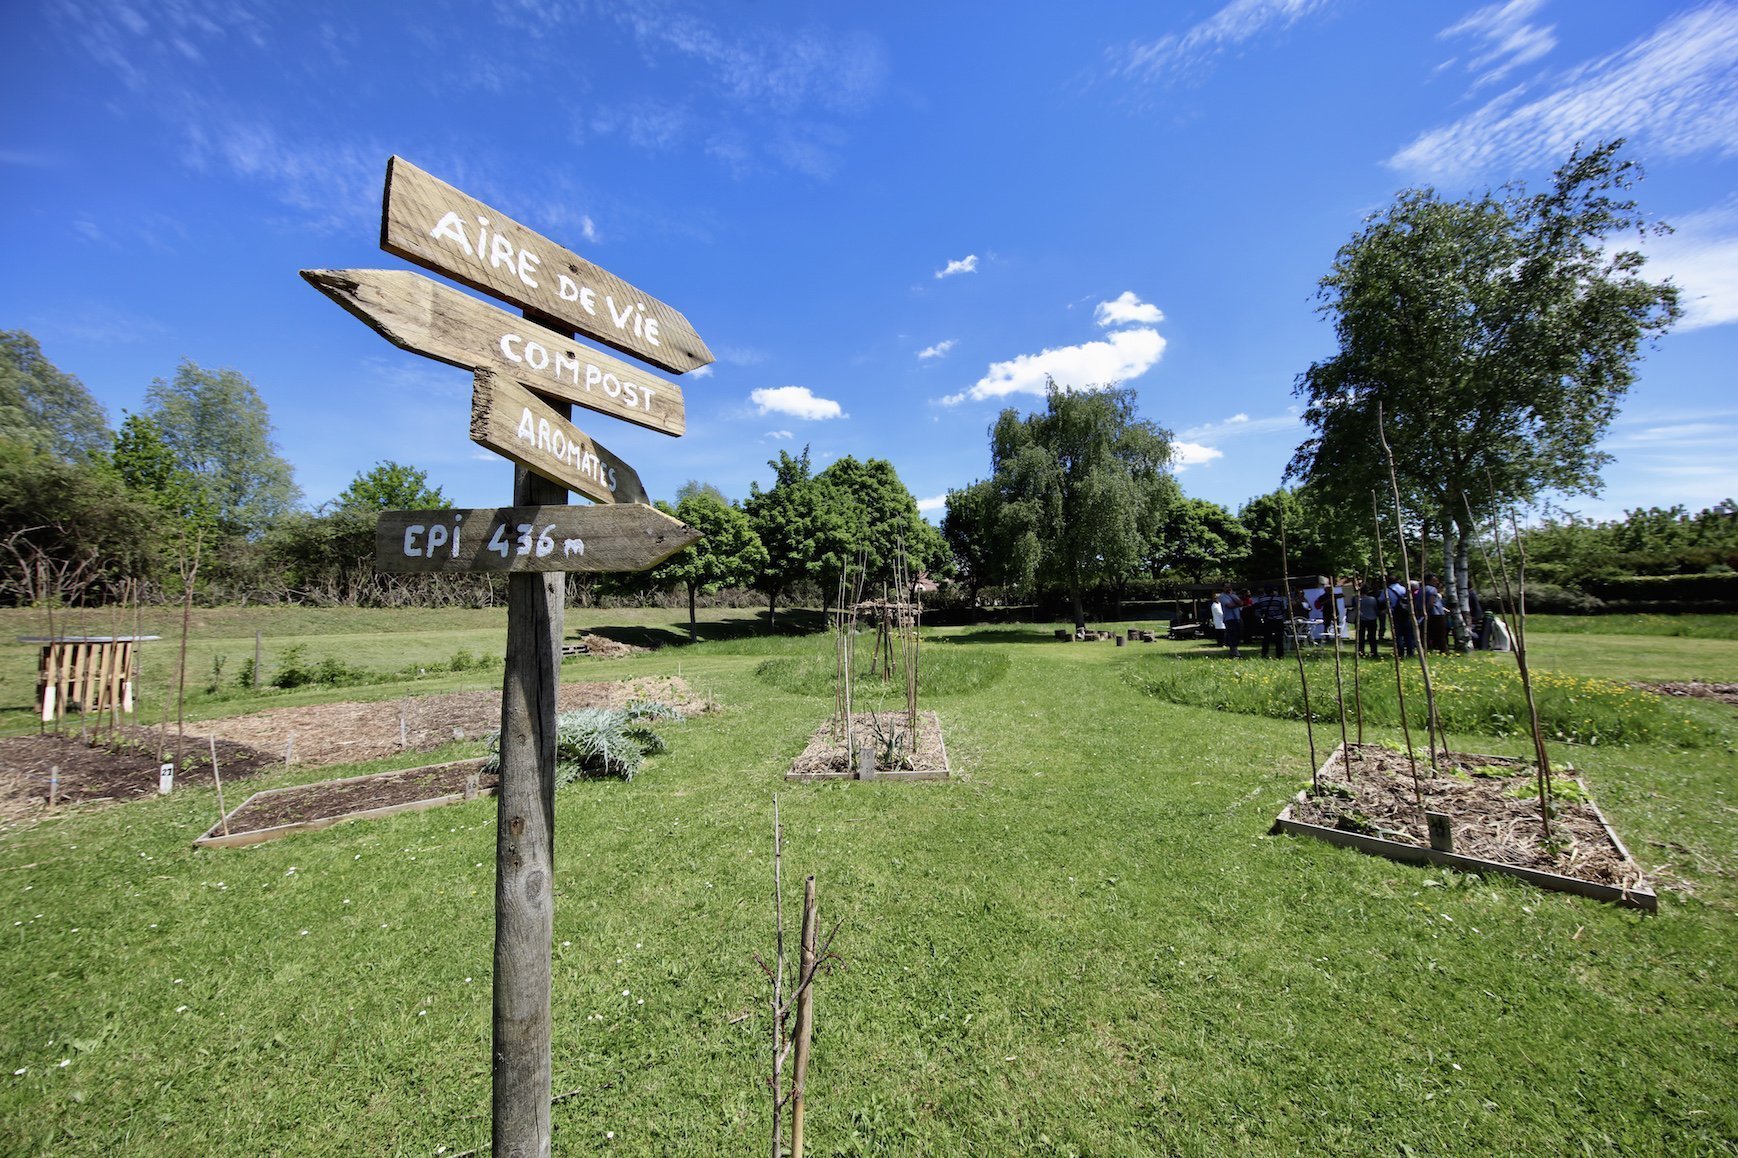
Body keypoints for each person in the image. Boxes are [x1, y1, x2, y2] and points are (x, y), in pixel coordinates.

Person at [1253, 585, 1288, 658]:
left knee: (1266, 638)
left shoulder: (1261, 599)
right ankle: (1279, 655)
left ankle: (1264, 654)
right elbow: (1283, 609)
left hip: (1268, 620)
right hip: (1278, 620)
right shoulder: (1279, 599)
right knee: (1279, 639)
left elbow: (1260, 610)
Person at [1424, 574, 1449, 654]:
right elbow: (1431, 602)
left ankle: (1429, 649)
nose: (1436, 582)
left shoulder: (1422, 589)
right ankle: (1444, 651)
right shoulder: (1432, 589)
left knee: (1429, 634)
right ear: (1428, 581)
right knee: (1441, 634)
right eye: (1434, 580)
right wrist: (1427, 610)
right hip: (1436, 614)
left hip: (1430, 613)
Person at [1217, 581, 1243, 659]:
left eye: (1229, 586)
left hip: (1237, 618)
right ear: (1223, 588)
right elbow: (1229, 605)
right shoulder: (1222, 596)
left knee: (1238, 635)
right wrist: (1237, 603)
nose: (1228, 588)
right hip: (1229, 618)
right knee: (1232, 635)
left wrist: (1234, 598)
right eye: (1226, 587)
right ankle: (1236, 653)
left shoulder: (1233, 595)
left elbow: (1241, 603)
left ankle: (1232, 652)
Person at [1357, 578, 1381, 658]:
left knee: (1360, 637)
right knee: (1372, 637)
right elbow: (1376, 609)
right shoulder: (1372, 599)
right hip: (1372, 619)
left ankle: (1361, 651)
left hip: (1361, 619)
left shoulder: (1356, 599)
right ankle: (1374, 652)